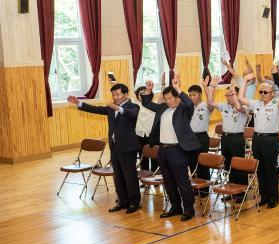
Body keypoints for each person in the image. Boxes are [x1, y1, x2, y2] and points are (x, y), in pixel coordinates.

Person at [67, 83, 142, 213]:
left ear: (125, 94)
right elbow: (95, 109)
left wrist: (118, 108)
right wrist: (78, 103)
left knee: (130, 175)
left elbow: (132, 114)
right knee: (118, 175)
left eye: (117, 94)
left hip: (128, 147)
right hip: (115, 146)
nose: (115, 97)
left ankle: (134, 203)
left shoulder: (133, 106)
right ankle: (122, 201)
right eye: (113, 95)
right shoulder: (111, 108)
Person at [141, 74, 200, 220]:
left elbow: (189, 103)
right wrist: (148, 90)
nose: (167, 101)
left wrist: (177, 87)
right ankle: (175, 207)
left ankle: (189, 209)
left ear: (177, 98)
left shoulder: (184, 109)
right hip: (163, 149)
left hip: (177, 150)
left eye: (170, 98)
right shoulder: (163, 108)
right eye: (165, 99)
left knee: (182, 181)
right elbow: (147, 103)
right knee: (168, 181)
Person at [234, 79, 279, 208]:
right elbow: (240, 98)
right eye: (261, 92)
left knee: (270, 169)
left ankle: (273, 197)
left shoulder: (276, 104)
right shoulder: (256, 103)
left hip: (270, 140)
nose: (262, 94)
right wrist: (245, 82)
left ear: (272, 93)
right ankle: (264, 196)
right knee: (260, 169)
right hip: (257, 139)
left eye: (265, 92)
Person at [204, 79, 249, 190]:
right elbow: (210, 102)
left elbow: (238, 108)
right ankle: (231, 188)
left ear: (236, 95)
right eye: (227, 95)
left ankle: (241, 191)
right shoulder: (225, 106)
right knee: (228, 165)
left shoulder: (245, 107)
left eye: (230, 95)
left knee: (238, 165)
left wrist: (234, 92)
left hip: (237, 139)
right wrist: (212, 88)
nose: (227, 98)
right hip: (226, 138)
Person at [187, 81, 215, 195]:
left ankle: (204, 189)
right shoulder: (188, 107)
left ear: (200, 94)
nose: (192, 97)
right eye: (190, 95)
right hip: (190, 137)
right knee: (192, 163)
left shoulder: (206, 106)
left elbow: (211, 103)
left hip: (201, 137)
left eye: (194, 95)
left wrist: (206, 87)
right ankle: (195, 187)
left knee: (202, 163)